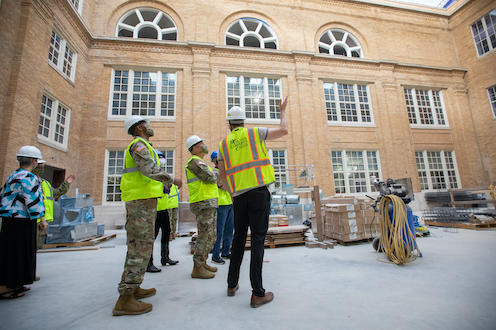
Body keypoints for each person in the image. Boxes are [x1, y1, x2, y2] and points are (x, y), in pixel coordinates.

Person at [218, 97, 289, 308]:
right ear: (243, 122)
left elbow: (222, 176)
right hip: (258, 193)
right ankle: (258, 293)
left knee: (238, 238)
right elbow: (283, 130)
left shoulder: (223, 144)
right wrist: (282, 110)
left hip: (238, 197)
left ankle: (232, 284)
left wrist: (233, 194)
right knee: (257, 240)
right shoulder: (255, 133)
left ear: (229, 124)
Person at [113, 115, 181, 316]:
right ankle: (125, 299)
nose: (150, 127)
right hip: (140, 203)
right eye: (147, 125)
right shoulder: (138, 145)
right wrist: (171, 179)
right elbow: (149, 169)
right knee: (139, 248)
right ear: (141, 127)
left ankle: (134, 288)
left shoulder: (143, 145)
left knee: (142, 246)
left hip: (145, 202)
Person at [0, 146, 46, 299]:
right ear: (34, 161)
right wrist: (41, 219)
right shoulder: (29, 177)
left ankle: (14, 283)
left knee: (10, 252)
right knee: (19, 252)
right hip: (22, 220)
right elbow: (32, 200)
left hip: (9, 219)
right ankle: (7, 287)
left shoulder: (13, 176)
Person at [185, 135, 219, 279]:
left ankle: (203, 262)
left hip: (208, 202)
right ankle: (197, 268)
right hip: (202, 202)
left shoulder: (201, 162)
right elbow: (210, 178)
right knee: (204, 236)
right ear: (194, 147)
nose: (205, 145)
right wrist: (218, 172)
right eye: (201, 143)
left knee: (211, 235)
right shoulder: (194, 162)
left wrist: (214, 173)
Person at [146, 151, 180, 273]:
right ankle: (148, 263)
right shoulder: (152, 172)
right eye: (160, 157)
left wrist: (166, 188)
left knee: (167, 232)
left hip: (163, 207)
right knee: (152, 236)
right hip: (155, 208)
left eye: (163, 158)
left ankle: (165, 257)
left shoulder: (161, 172)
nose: (162, 159)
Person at [32, 160, 75, 253]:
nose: (42, 167)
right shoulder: (29, 182)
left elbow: (56, 193)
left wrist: (66, 183)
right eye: (40, 165)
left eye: (42, 165)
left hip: (42, 222)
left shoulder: (45, 183)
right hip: (31, 221)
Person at [210, 150, 234, 265]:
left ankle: (225, 251)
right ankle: (215, 255)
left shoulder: (226, 173)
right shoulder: (215, 173)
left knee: (229, 230)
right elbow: (224, 187)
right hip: (221, 204)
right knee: (219, 231)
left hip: (229, 203)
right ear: (215, 162)